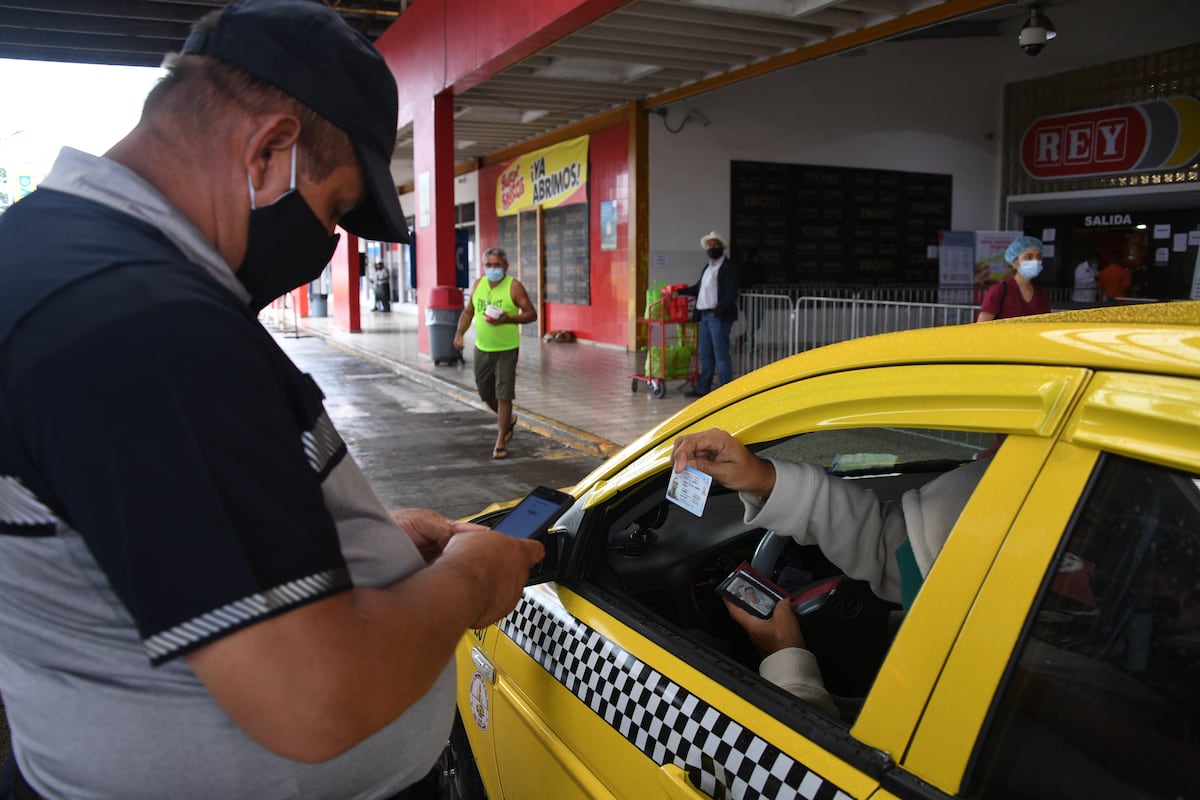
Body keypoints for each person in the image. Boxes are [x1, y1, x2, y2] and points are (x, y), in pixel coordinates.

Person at [0, 2, 544, 799]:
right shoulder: (149, 325)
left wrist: (350, 543)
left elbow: (111, 524)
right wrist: (469, 577)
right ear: (269, 151)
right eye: (330, 210)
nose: (324, 244)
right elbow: (315, 701)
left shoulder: (44, 258)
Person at [671, 428, 990, 717]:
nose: (986, 453)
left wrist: (784, 651)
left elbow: (798, 765)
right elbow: (890, 546)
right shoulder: (1002, 498)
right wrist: (765, 478)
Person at [453, 247, 537, 459]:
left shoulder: (514, 287)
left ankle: (500, 440)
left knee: (504, 393)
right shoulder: (478, 284)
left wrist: (508, 318)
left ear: (505, 267)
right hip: (482, 347)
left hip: (506, 349)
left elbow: (531, 314)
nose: (492, 269)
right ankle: (507, 421)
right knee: (485, 393)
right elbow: (469, 311)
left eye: (497, 265)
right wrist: (459, 334)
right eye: (488, 265)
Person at [672, 231, 739, 397]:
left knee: (721, 354)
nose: (712, 248)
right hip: (705, 316)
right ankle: (703, 389)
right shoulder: (708, 268)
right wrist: (679, 292)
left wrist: (718, 311)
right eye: (709, 245)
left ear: (721, 247)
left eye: (715, 245)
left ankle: (726, 391)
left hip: (718, 317)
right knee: (705, 353)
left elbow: (731, 293)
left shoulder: (729, 268)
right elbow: (698, 288)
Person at [976, 235, 1052, 322]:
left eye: (1038, 257)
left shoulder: (1041, 295)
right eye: (1028, 257)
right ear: (1015, 262)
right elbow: (981, 326)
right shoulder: (1000, 290)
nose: (1035, 261)